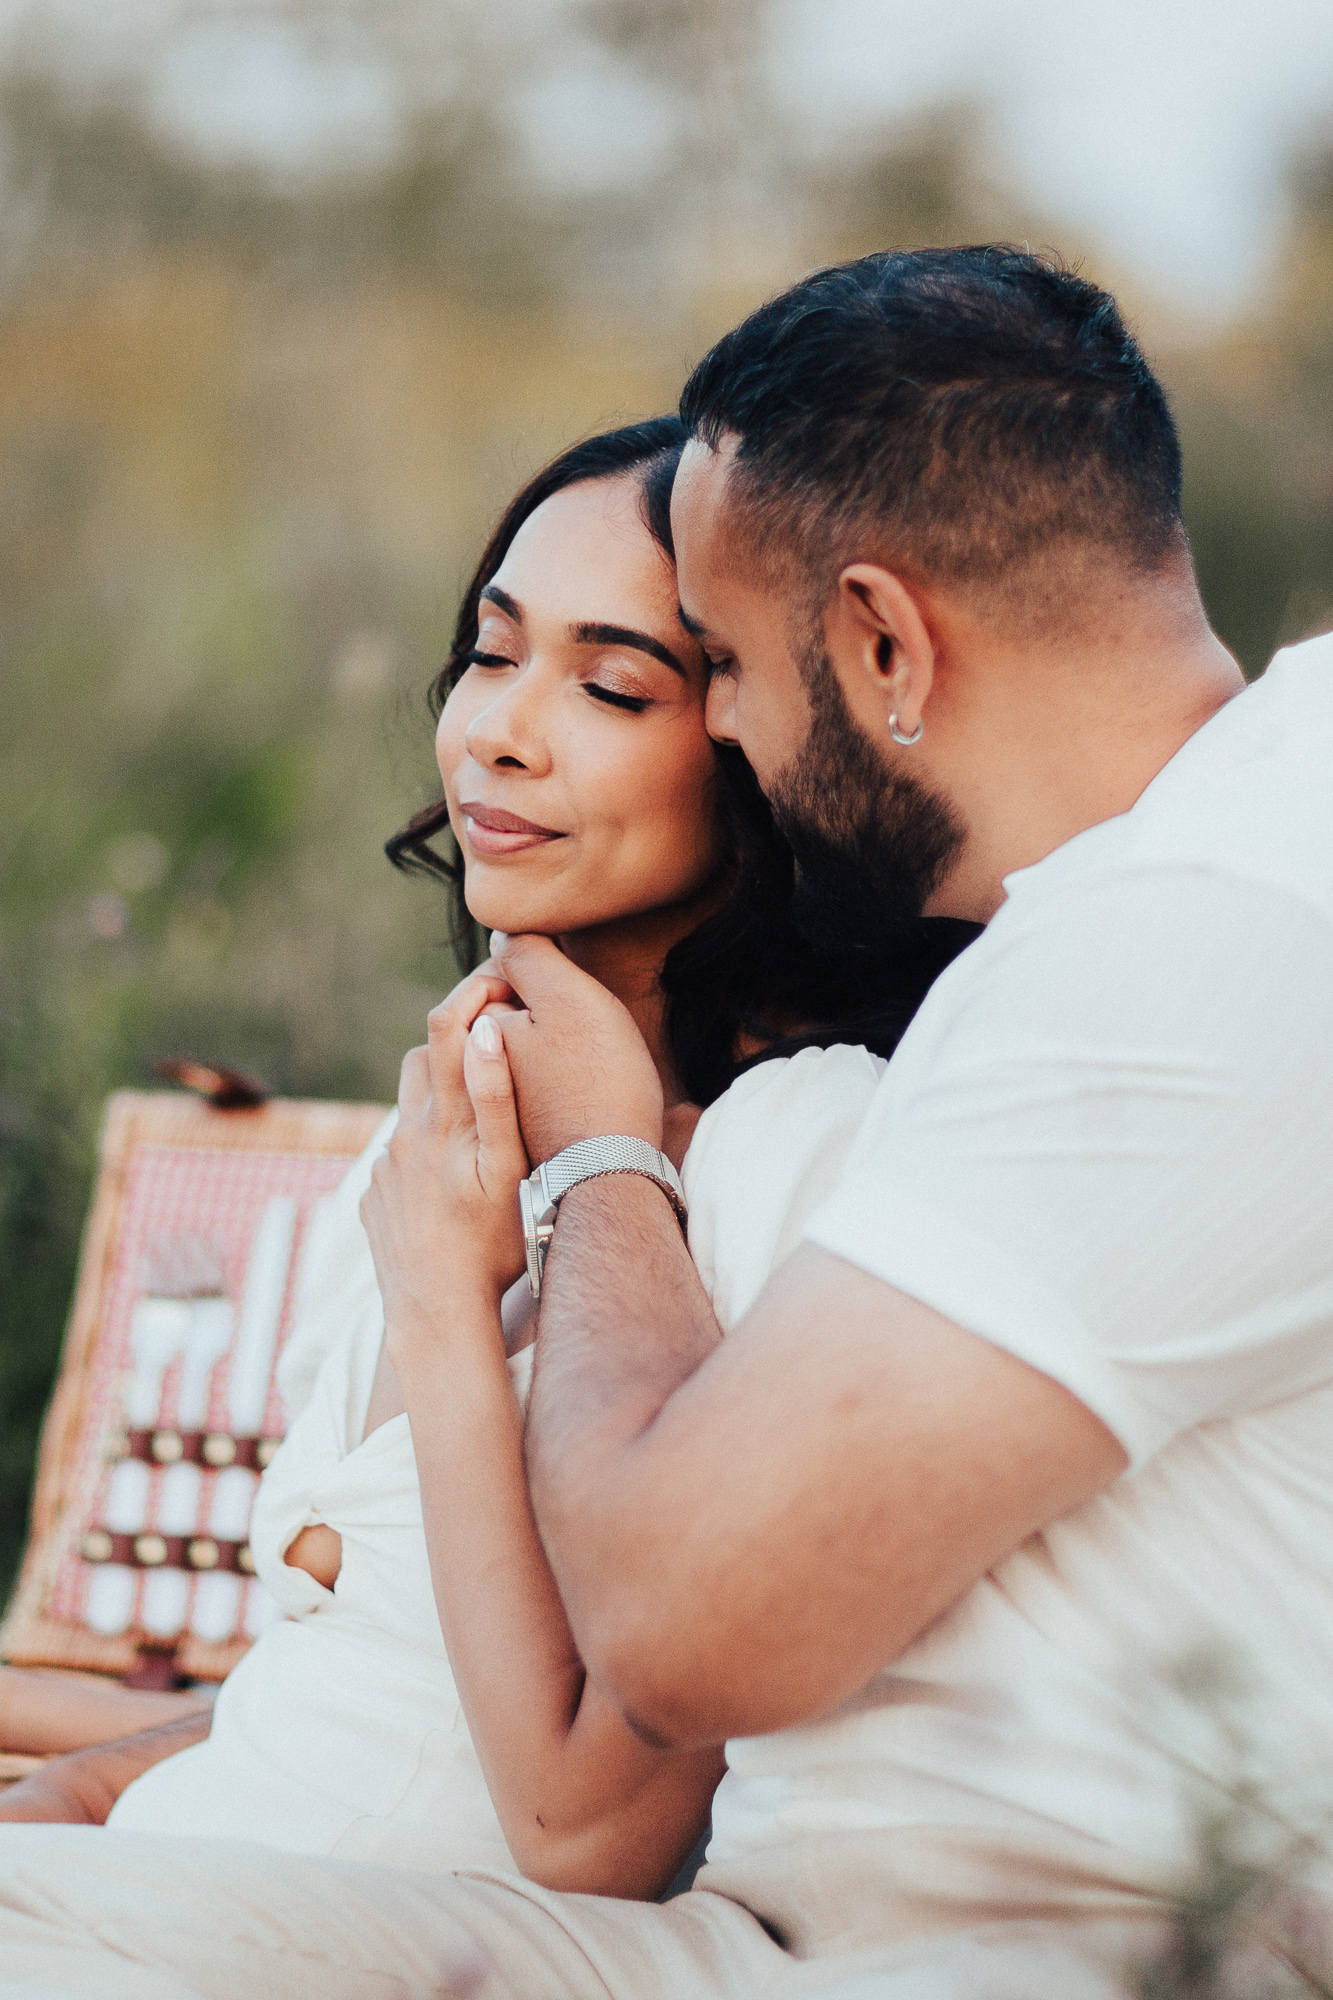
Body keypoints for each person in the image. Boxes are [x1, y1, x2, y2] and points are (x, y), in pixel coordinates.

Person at [3, 243, 1330, 2000]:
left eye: (694, 666)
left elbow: (669, 1665)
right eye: (491, 655)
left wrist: (597, 1171)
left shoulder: (1171, 939)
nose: (725, 723)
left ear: (880, 640)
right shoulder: (1111, 917)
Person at [0, 422, 974, 1898]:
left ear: (765, 740)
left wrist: (453, 1319)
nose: (497, 732)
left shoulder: (799, 1162)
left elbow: (594, 1832)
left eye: (607, 684)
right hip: (209, 1869)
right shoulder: (441, 1130)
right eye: (488, 650)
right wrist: (79, 1788)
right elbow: (365, 1701)